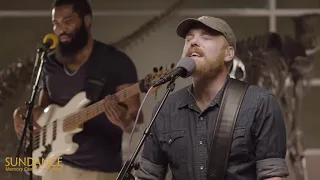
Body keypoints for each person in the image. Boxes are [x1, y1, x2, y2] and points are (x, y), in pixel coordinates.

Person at [135, 16, 289, 180]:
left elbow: (271, 175)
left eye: (206, 37)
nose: (193, 42)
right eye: (188, 39)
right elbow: (148, 176)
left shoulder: (260, 104)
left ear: (229, 53)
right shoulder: (165, 109)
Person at [12, 0, 143, 179]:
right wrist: (21, 115)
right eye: (56, 23)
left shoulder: (115, 61)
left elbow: (135, 119)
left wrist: (123, 120)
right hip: (55, 166)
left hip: (100, 170)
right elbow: (45, 113)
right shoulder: (49, 63)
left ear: (87, 20)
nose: (60, 30)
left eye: (68, 21)